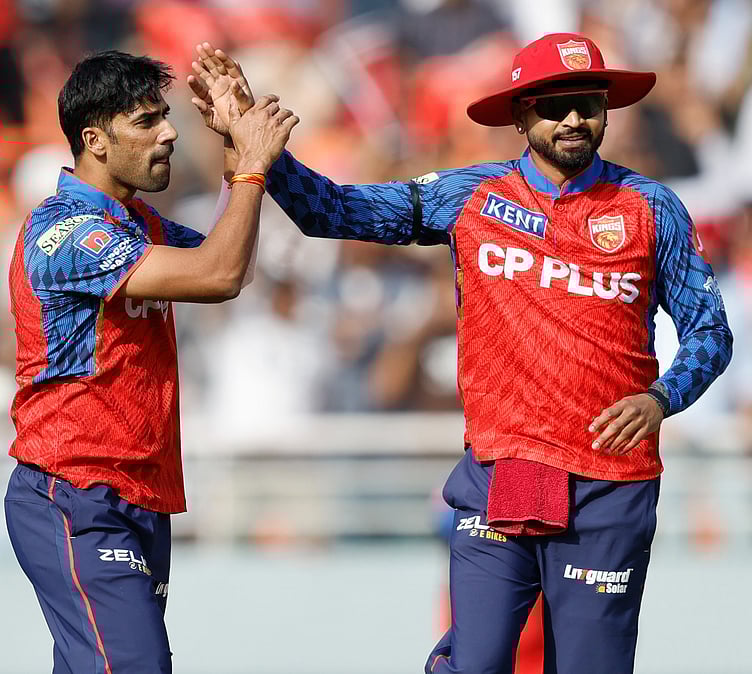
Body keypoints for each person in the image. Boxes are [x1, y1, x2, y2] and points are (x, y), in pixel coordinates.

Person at [194, 33, 733, 673]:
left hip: (609, 482)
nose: (573, 119)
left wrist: (660, 398)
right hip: (503, 471)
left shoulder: (651, 207)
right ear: (519, 114)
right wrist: (258, 146)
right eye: (555, 105)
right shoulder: (472, 196)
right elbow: (333, 212)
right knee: (473, 664)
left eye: (588, 104)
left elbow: (711, 330)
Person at [4, 48, 297, 673]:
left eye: (166, 116)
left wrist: (231, 147)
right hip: (75, 490)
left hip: (137, 492)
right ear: (95, 140)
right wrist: (250, 167)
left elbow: (231, 262)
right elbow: (217, 273)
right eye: (145, 121)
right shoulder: (66, 232)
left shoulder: (138, 223)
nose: (168, 133)